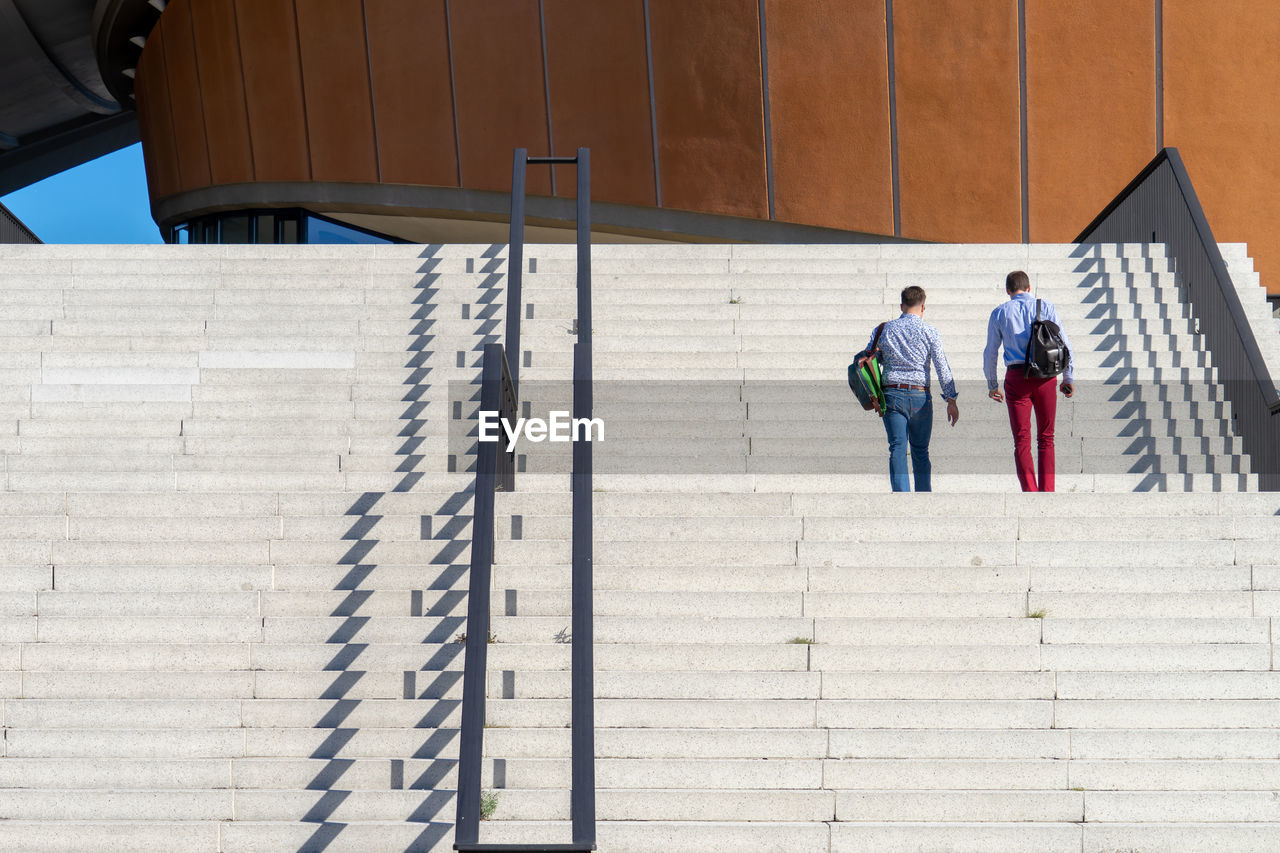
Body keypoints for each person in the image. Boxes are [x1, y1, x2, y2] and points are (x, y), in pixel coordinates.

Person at [861, 285, 959, 492]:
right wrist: (951, 399)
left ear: (901, 305)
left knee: (897, 448)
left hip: (892, 393)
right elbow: (942, 366)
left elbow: (871, 360)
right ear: (923, 306)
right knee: (921, 450)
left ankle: (901, 496)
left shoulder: (884, 330)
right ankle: (923, 495)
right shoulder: (930, 331)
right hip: (920, 395)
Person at [983, 270, 1075, 492]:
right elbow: (1065, 343)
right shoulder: (1047, 307)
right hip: (1045, 377)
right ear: (1029, 287)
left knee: (1021, 439)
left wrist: (992, 384)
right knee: (1047, 437)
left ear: (1008, 290)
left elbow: (990, 352)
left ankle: (1030, 491)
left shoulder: (1000, 312)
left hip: (1016, 377)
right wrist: (1068, 376)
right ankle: (1047, 490)